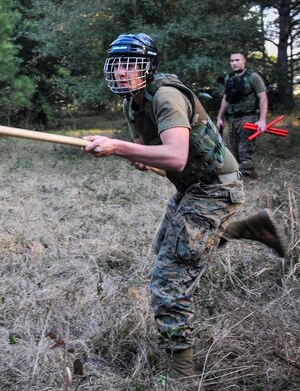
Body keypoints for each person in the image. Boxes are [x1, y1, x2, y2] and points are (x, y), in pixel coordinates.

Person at [84, 33, 287, 383]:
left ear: (147, 68)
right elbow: (148, 148)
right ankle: (246, 228)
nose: (121, 72)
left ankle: (183, 377)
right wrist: (132, 152)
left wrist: (117, 146)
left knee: (169, 280)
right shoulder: (133, 102)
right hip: (192, 188)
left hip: (214, 190)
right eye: (117, 65)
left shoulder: (166, 96)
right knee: (166, 248)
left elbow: (175, 156)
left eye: (131, 65)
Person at [216, 52, 268, 180]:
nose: (234, 63)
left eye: (237, 60)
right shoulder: (229, 78)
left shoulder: (253, 77)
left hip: (248, 118)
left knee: (244, 150)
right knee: (234, 150)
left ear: (244, 61)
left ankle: (245, 180)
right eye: (232, 60)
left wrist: (262, 120)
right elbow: (226, 98)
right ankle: (251, 174)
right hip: (232, 119)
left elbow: (263, 97)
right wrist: (220, 117)